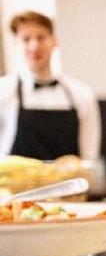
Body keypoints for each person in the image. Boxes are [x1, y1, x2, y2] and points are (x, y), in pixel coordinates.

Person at [0, 11, 100, 161]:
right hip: (18, 184)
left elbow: (89, 156)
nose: (34, 45)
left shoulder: (82, 93)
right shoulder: (4, 91)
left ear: (54, 41)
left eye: (41, 37)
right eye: (26, 39)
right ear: (16, 44)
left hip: (70, 183)